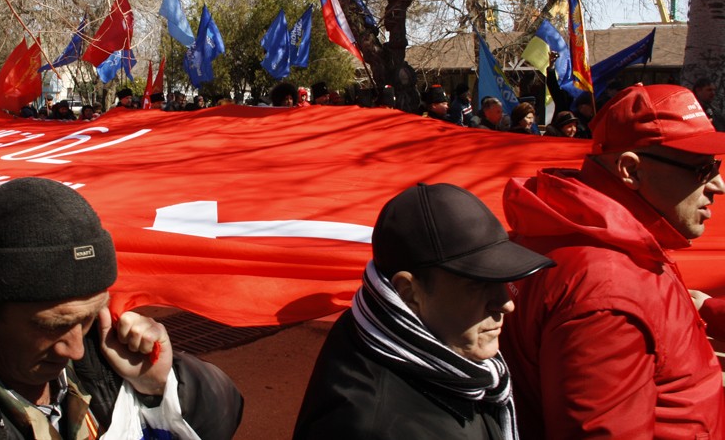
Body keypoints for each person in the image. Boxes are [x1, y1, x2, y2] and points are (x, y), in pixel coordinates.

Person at [0, 178, 243, 440]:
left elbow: (226, 415)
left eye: (86, 318)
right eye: (52, 326)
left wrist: (159, 386)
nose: (74, 349)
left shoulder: (110, 352)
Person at [501, 84, 725, 438]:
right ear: (630, 170)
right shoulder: (609, 289)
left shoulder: (589, 238)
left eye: (716, 166)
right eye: (702, 170)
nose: (718, 185)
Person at [293, 183, 554, 440]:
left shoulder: (373, 325)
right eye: (478, 284)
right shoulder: (374, 429)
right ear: (409, 293)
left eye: (503, 281)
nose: (506, 304)